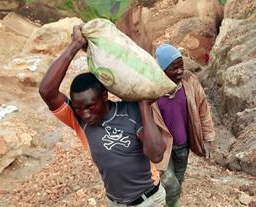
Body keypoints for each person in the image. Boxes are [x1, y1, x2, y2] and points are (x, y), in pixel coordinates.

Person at [39, 25, 167, 207]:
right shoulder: (79, 121)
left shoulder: (130, 111)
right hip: (114, 202)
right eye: (79, 108)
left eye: (90, 106)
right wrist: (75, 45)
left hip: (148, 201)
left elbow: (156, 154)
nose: (85, 114)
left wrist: (144, 103)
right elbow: (46, 91)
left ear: (105, 96)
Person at [152, 44, 216, 207]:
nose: (180, 71)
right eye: (174, 68)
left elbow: (203, 108)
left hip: (182, 145)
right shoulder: (150, 90)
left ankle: (168, 203)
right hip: (162, 149)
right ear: (162, 70)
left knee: (178, 181)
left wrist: (207, 138)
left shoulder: (189, 81)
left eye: (181, 67)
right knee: (170, 185)